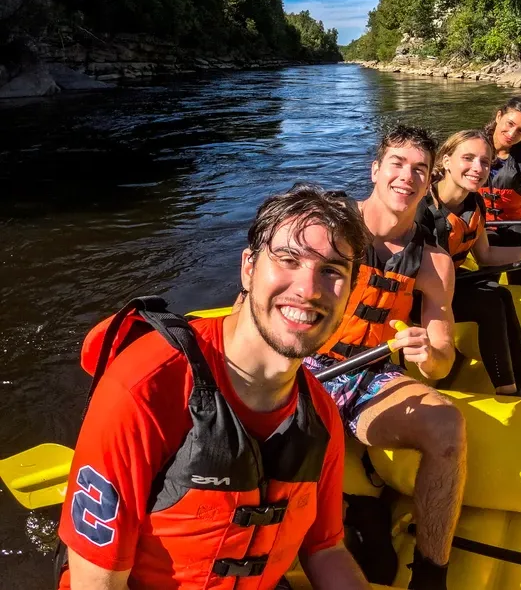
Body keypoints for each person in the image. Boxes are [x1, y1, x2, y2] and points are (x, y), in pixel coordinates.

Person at [57, 184, 372, 590]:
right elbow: (95, 584)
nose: (308, 289)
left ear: (349, 291)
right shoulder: (146, 387)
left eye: (331, 271)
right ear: (248, 268)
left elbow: (324, 549)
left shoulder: (319, 412)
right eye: (288, 259)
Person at [307, 125, 462, 590]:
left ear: (430, 180)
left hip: (372, 374)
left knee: (447, 426)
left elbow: (442, 362)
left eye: (420, 169)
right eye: (397, 163)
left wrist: (427, 352)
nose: (407, 176)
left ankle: (432, 574)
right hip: (309, 366)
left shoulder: (435, 264)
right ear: (375, 169)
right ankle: (358, 509)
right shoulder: (325, 228)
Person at [418, 129, 521, 396]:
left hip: (450, 287)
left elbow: (486, 256)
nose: (478, 168)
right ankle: (509, 390)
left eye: (485, 162)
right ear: (446, 161)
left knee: (500, 294)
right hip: (418, 297)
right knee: (490, 300)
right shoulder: (422, 208)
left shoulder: (474, 202)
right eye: (468, 158)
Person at [479, 97, 521, 279]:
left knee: (515, 237)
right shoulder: (474, 147)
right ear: (499, 116)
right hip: (485, 225)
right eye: (510, 123)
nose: (512, 133)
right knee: (489, 241)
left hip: (520, 224)